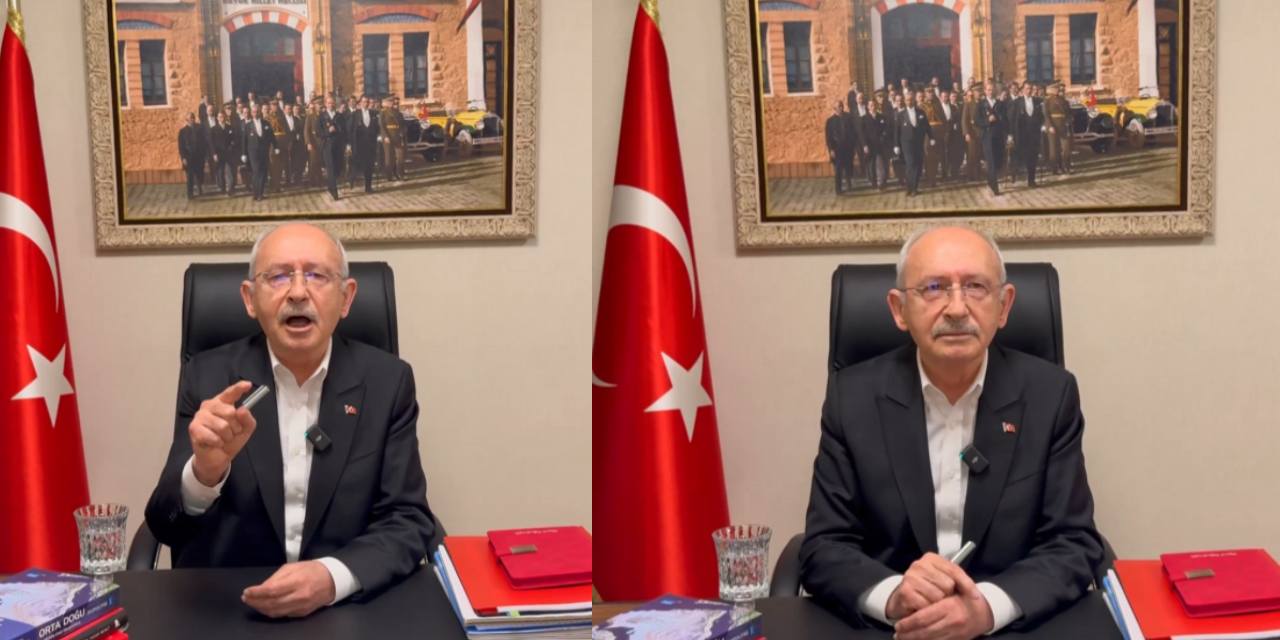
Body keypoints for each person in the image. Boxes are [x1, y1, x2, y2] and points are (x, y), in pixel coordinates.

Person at [799, 225, 1104, 639]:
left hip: (1008, 628)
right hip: (894, 630)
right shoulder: (851, 398)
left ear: (1004, 305)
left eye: (976, 287)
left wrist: (987, 608)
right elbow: (824, 546)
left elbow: (1072, 542)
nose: (957, 308)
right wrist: (894, 595)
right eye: (934, 288)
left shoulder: (1050, 396)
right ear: (899, 310)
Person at [145, 222, 436, 619]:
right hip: (231, 609)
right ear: (249, 299)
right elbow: (165, 526)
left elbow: (407, 519)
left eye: (317, 275)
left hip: (345, 609)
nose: (298, 292)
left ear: (347, 297)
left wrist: (331, 577)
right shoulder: (209, 377)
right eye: (278, 276)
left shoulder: (388, 382)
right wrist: (204, 474)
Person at [893, 91, 933, 197]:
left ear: (914, 100)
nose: (909, 102)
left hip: (918, 142)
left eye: (911, 100)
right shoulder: (901, 115)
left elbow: (927, 126)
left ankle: (914, 187)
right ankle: (910, 188)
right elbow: (897, 131)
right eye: (907, 100)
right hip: (906, 143)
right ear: (905, 101)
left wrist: (931, 137)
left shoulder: (921, 112)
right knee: (910, 163)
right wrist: (896, 145)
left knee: (918, 164)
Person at [1011, 83, 1044, 188]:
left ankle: (1031, 180)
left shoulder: (1037, 101)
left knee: (1033, 157)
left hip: (1034, 134)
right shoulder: (1017, 102)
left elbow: (1041, 116)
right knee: (1020, 156)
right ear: (1023, 90)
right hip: (1021, 135)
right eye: (1027, 88)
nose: (1029, 91)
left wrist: (1042, 126)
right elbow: (1012, 119)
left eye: (1030, 88)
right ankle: (1014, 174)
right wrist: (1011, 134)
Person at [241, 103, 276, 201]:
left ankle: (260, 193)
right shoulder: (248, 125)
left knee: (263, 172)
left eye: (257, 112)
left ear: (260, 112)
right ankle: (255, 193)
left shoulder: (266, 123)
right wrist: (243, 153)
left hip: (264, 151)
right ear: (251, 113)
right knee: (256, 171)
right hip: (253, 152)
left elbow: (271, 136)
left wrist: (276, 146)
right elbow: (244, 140)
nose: (255, 114)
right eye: (254, 112)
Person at [976, 81, 1006, 196]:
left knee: (998, 161)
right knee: (991, 161)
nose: (991, 92)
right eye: (988, 90)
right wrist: (987, 121)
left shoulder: (999, 103)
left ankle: (990, 182)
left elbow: (1005, 119)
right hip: (987, 136)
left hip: (998, 135)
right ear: (985, 91)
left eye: (992, 89)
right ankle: (994, 187)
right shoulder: (981, 104)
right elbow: (977, 120)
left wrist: (1008, 134)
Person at [351, 96, 380, 194]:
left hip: (371, 144)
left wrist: (378, 135)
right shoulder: (355, 114)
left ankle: (368, 186)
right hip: (359, 144)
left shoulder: (373, 113)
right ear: (360, 103)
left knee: (369, 165)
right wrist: (350, 144)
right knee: (358, 165)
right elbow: (351, 130)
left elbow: (377, 127)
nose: (366, 103)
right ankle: (352, 181)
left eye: (367, 102)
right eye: (364, 102)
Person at [1043, 83, 1072, 175]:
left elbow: (1069, 113)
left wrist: (1068, 121)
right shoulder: (1047, 101)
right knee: (1054, 149)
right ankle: (1054, 168)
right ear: (1050, 90)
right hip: (1053, 126)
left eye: (1057, 88)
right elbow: (1046, 115)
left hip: (1063, 126)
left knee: (1066, 148)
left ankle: (1066, 166)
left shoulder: (1064, 101)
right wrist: (1050, 126)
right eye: (1055, 88)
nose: (1057, 90)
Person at [319, 96, 344, 201]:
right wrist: (328, 131)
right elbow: (318, 132)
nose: (331, 105)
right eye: (329, 103)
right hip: (328, 145)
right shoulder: (321, 116)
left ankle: (330, 186)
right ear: (326, 104)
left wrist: (337, 129)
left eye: (333, 103)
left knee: (338, 168)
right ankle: (334, 191)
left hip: (338, 145)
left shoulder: (339, 116)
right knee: (331, 168)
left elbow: (344, 130)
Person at [178, 112, 207, 200]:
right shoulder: (182, 132)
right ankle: (190, 194)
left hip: (199, 157)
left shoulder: (200, 129)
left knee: (199, 175)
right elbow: (181, 147)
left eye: (193, 118)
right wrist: (183, 158)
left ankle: (200, 190)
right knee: (190, 177)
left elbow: (204, 142)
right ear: (187, 120)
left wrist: (204, 155)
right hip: (188, 157)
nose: (192, 119)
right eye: (190, 118)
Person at [825, 102, 851, 195]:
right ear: (835, 108)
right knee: (838, 169)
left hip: (847, 147)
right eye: (839, 107)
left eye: (841, 106)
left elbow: (852, 132)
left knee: (848, 167)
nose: (841, 108)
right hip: (837, 149)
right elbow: (828, 137)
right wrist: (831, 149)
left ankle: (849, 185)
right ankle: (838, 189)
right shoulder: (830, 121)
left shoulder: (848, 118)